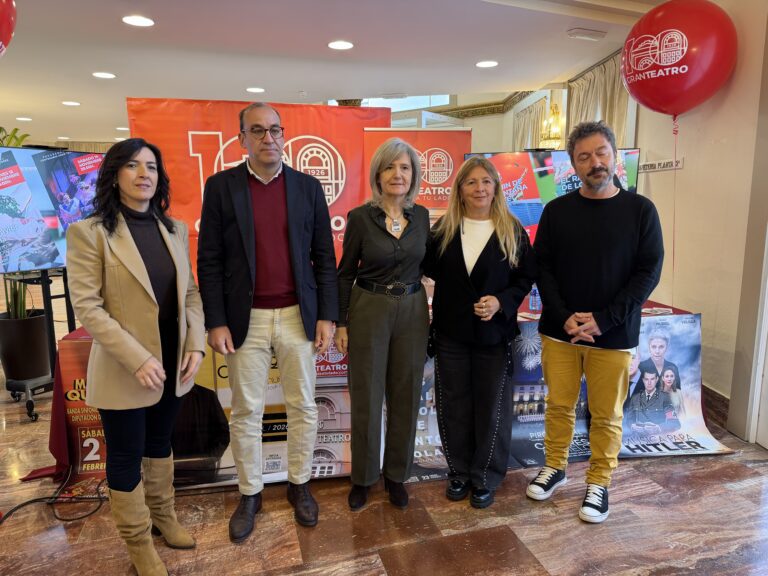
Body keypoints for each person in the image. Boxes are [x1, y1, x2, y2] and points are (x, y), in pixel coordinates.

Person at [197, 103, 338, 541]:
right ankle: (250, 492)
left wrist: (328, 316)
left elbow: (324, 260)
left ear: (284, 135)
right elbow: (210, 260)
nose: (267, 138)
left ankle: (299, 484)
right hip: (245, 320)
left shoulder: (308, 187)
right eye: (257, 131)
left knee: (302, 406)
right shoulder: (221, 187)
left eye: (274, 130)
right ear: (241, 139)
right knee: (245, 411)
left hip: (299, 316)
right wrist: (216, 320)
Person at [67, 138, 205, 576]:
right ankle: (138, 541)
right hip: (126, 369)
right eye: (132, 165)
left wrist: (196, 343)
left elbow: (190, 294)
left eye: (151, 166)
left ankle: (164, 516)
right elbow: (88, 306)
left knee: (160, 444)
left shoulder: (175, 229)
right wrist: (137, 358)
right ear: (114, 175)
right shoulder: (90, 233)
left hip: (172, 365)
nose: (144, 173)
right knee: (126, 455)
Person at [525, 121, 663, 524]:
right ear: (573, 165)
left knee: (606, 415)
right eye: (584, 157)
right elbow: (542, 268)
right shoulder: (556, 210)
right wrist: (566, 316)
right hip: (560, 330)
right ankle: (555, 467)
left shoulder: (641, 210)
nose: (595, 163)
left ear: (615, 156)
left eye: (601, 153)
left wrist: (604, 320)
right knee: (559, 405)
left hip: (614, 334)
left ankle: (599, 482)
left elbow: (648, 271)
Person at [424, 156, 535, 509]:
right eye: (471, 182)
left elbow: (524, 279)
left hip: (493, 335)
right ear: (460, 189)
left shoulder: (512, 230)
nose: (479, 188)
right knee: (453, 404)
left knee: (492, 407)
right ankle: (458, 472)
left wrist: (501, 302)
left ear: (496, 187)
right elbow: (424, 268)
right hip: (450, 333)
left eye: (486, 181)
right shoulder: (442, 230)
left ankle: (485, 476)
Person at [335, 138, 430, 511]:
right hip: (369, 308)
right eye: (390, 167)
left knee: (406, 395)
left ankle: (397, 476)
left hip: (412, 308)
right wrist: (342, 323)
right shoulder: (360, 218)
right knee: (367, 397)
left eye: (405, 167)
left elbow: (433, 263)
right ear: (378, 174)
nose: (398, 174)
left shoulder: (421, 217)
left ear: (413, 175)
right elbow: (345, 274)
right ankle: (363, 478)